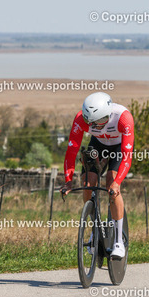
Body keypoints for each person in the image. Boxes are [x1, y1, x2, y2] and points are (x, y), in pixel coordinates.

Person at [60, 92, 134, 258]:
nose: (96, 126)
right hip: (98, 145)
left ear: (108, 114)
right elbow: (71, 152)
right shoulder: (80, 119)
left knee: (111, 183)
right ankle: (95, 230)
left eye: (100, 122)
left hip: (118, 148)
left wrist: (117, 183)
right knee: (88, 183)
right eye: (91, 123)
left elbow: (127, 156)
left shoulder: (123, 118)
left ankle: (118, 242)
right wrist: (68, 181)